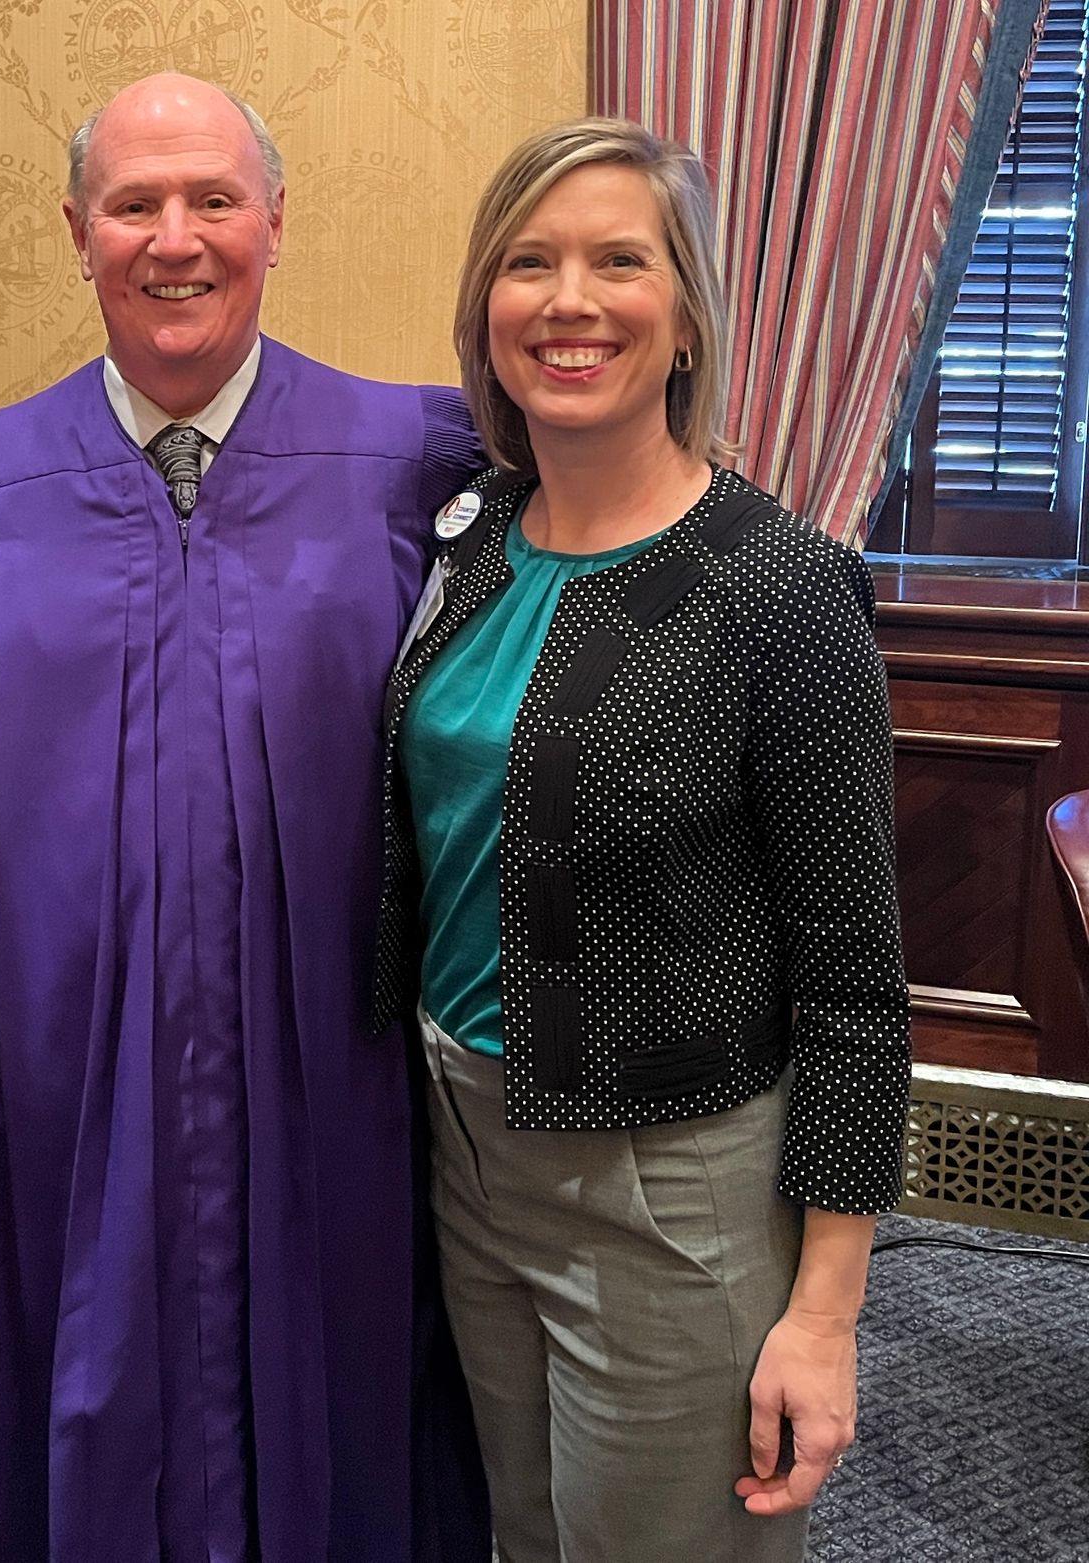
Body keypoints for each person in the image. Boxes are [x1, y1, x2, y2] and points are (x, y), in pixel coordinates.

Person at [0, 71, 491, 1563]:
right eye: (135, 203)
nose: (176, 238)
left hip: (330, 1055)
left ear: (276, 224)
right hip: (48, 1062)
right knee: (63, 1365)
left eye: (214, 200)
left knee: (344, 1353)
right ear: (78, 231)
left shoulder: (412, 461)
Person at [376, 117, 911, 1563]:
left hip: (671, 1186)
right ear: (485, 312)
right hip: (465, 1149)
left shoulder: (780, 590)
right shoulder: (471, 533)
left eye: (622, 261)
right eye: (530, 263)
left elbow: (857, 988)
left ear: (685, 320)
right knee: (532, 1540)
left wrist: (824, 1314)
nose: (569, 301)